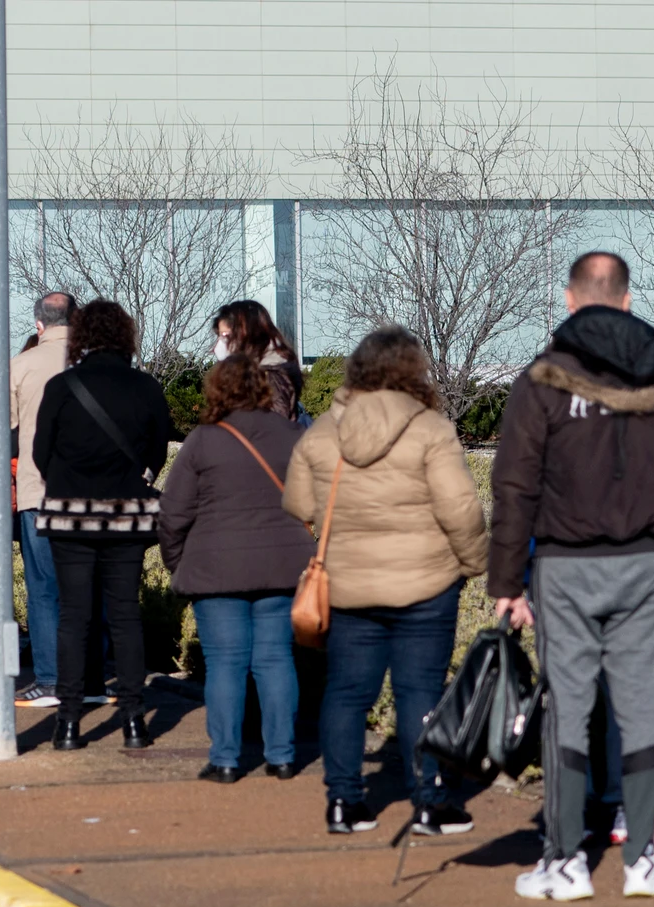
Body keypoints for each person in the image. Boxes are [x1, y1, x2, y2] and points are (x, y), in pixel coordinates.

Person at [490, 251, 654, 900]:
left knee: (569, 708)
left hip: (564, 563)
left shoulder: (543, 378)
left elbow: (514, 486)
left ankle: (565, 861)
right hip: (645, 559)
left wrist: (508, 580)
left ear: (569, 299)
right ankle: (647, 858)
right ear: (624, 299)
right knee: (642, 709)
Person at [284, 327, 489, 834]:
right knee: (419, 691)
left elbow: (299, 504)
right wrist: (475, 562)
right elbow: (461, 509)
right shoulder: (431, 429)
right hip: (427, 582)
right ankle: (429, 801)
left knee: (348, 693)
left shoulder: (322, 433)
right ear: (411, 370)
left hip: (350, 585)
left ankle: (344, 802)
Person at [159, 354, 313, 782]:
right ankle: (282, 755)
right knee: (276, 658)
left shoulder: (204, 440)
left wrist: (178, 562)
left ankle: (226, 759)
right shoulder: (292, 436)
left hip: (215, 568)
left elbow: (173, 513)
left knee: (225, 662)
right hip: (283, 565)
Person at [33, 299, 174, 750]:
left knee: (74, 618)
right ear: (126, 337)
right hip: (127, 517)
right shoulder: (146, 388)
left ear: (81, 337)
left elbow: (40, 453)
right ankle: (134, 719)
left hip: (70, 516)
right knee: (126, 615)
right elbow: (157, 451)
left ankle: (69, 723)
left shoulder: (61, 386)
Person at [9, 291, 74, 708]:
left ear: (39, 325)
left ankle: (49, 679)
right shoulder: (96, 363)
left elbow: (6, 431)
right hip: (89, 494)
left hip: (37, 490)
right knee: (86, 586)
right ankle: (89, 676)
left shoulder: (21, 366)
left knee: (43, 588)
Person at [212, 300, 304, 421]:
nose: (219, 344)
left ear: (248, 334)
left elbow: (274, 429)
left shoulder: (272, 376)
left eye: (226, 336)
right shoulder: (243, 372)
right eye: (219, 335)